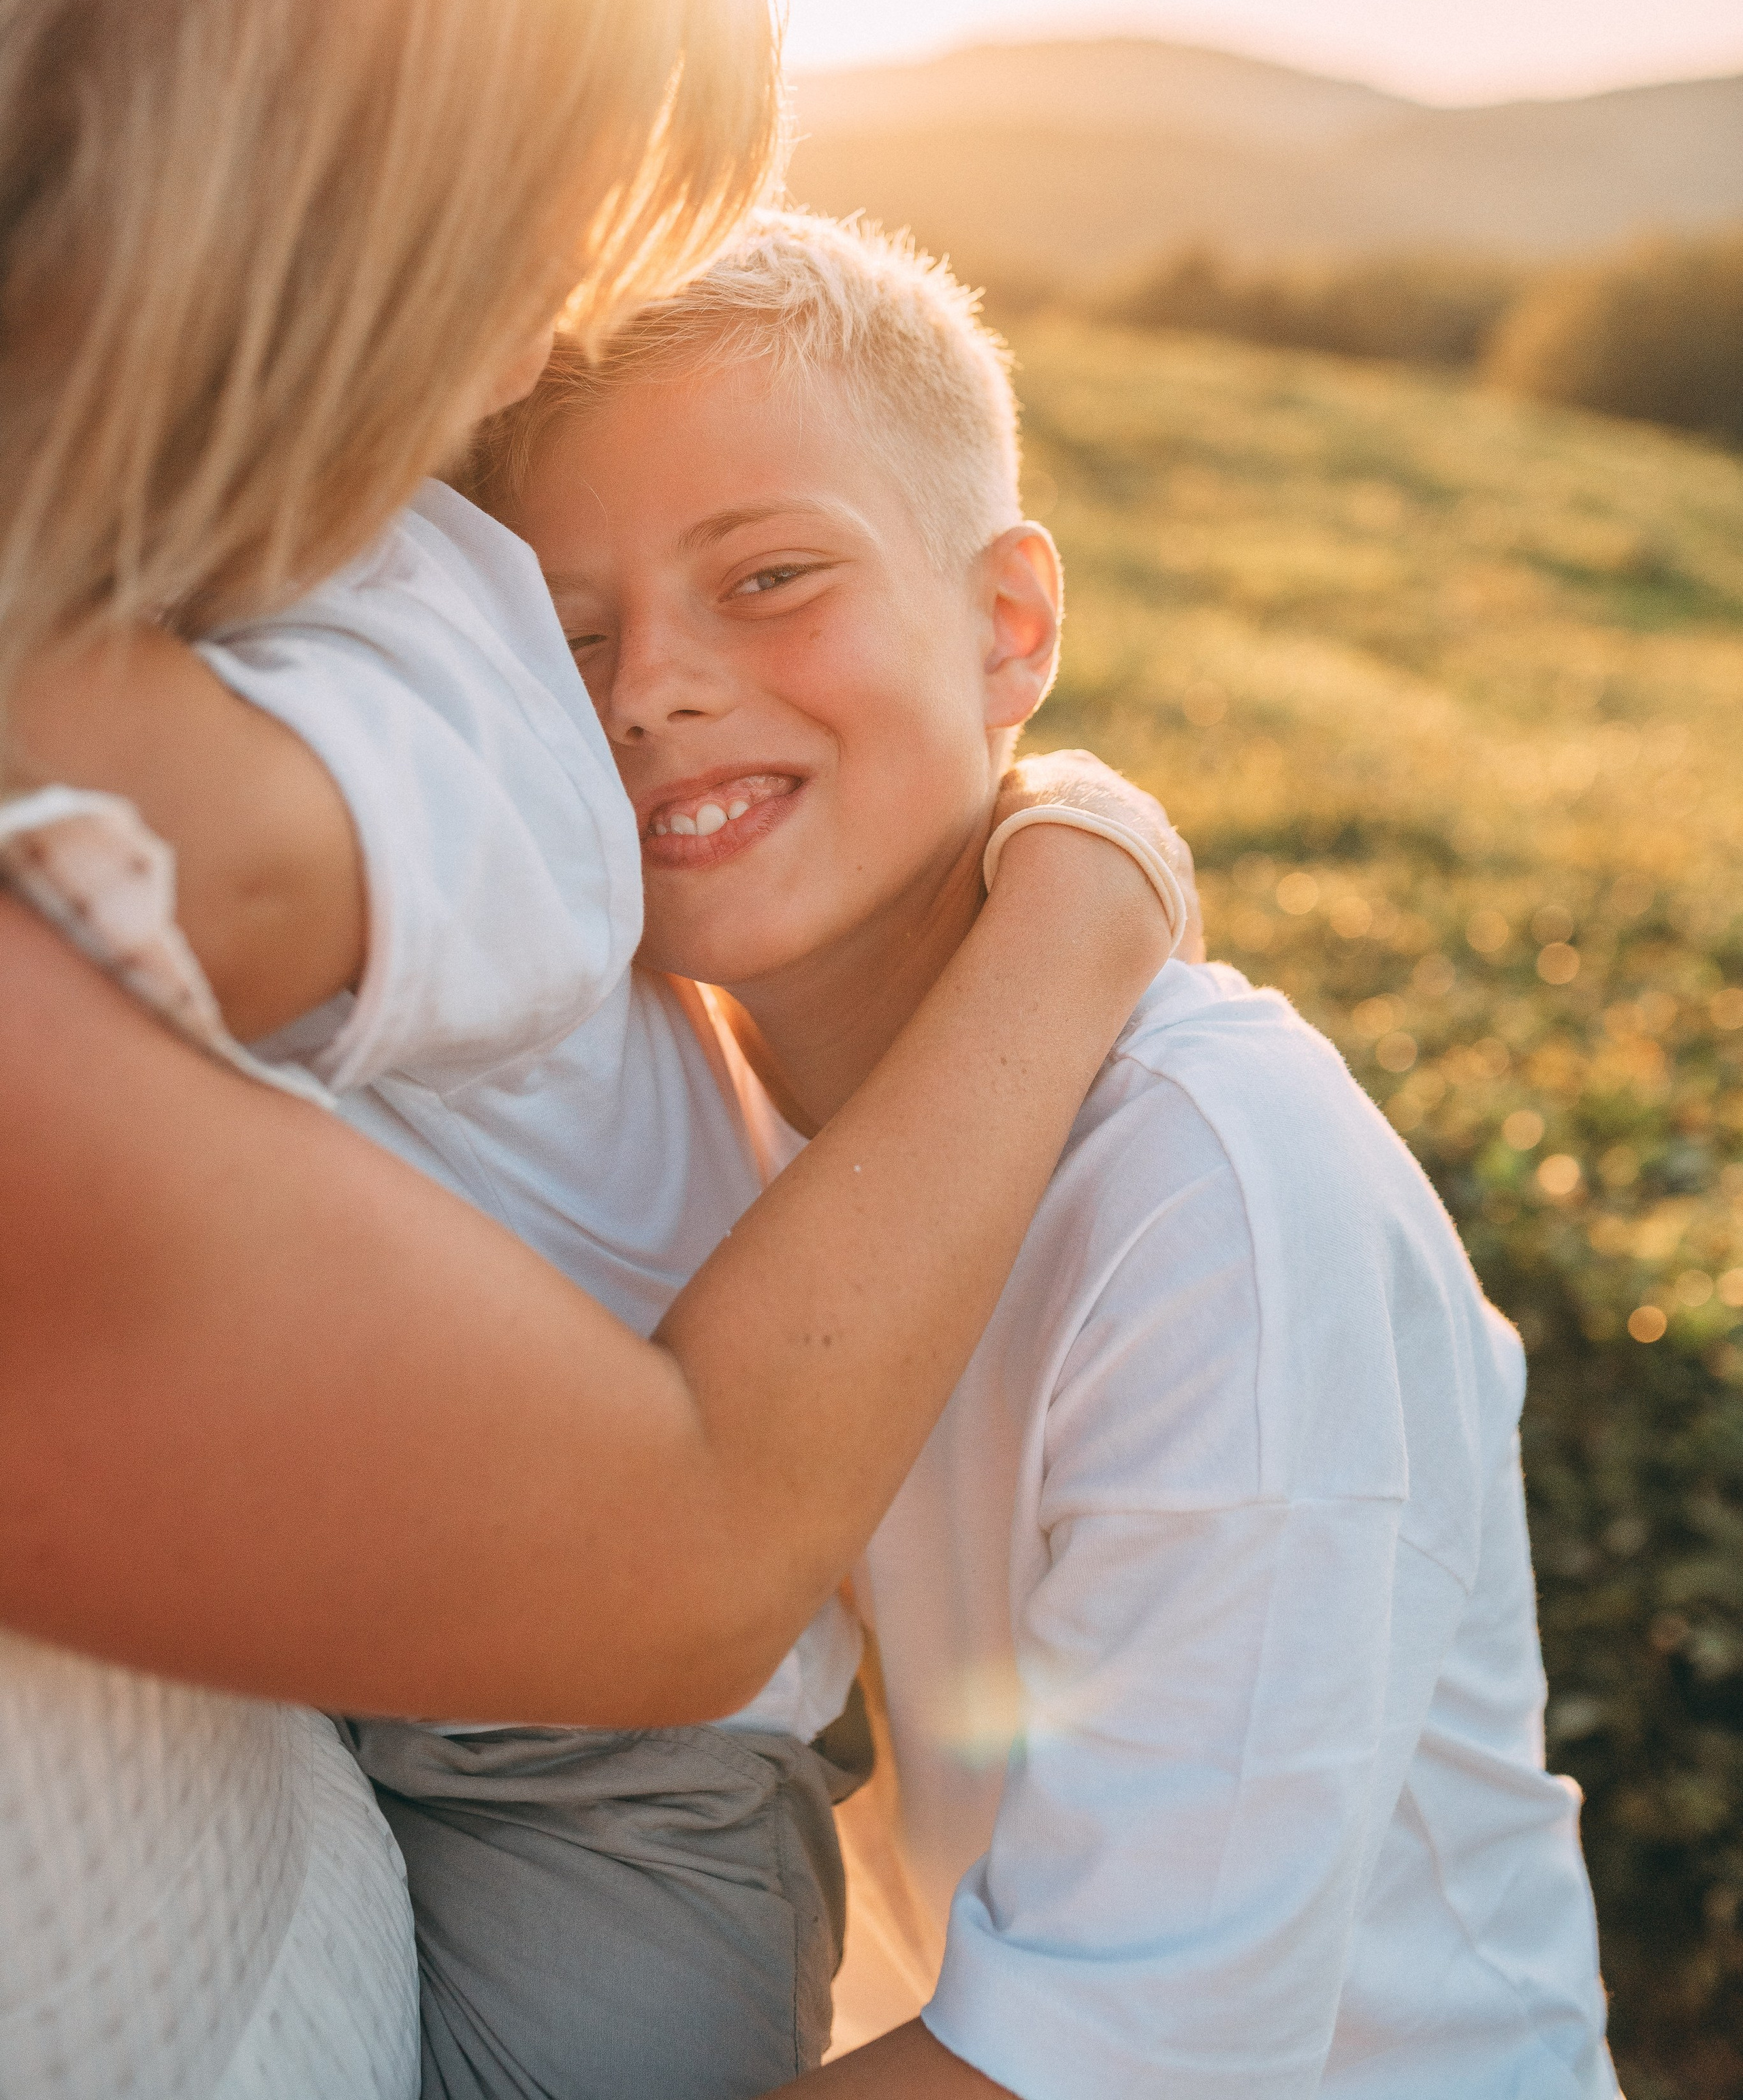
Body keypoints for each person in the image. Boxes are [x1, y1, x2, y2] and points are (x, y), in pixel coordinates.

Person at [0, 0, 1178, 2097]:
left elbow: (689, 1558)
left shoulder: (439, 660)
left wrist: (1082, 906)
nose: (530, 354)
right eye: (535, 244)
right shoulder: (366, 621)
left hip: (605, 1765)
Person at [490, 208, 1620, 2100]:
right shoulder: (658, 1104)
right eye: (567, 630)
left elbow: (1116, 2064)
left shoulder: (1221, 1188)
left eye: (770, 577)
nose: (647, 687)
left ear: (1009, 626)